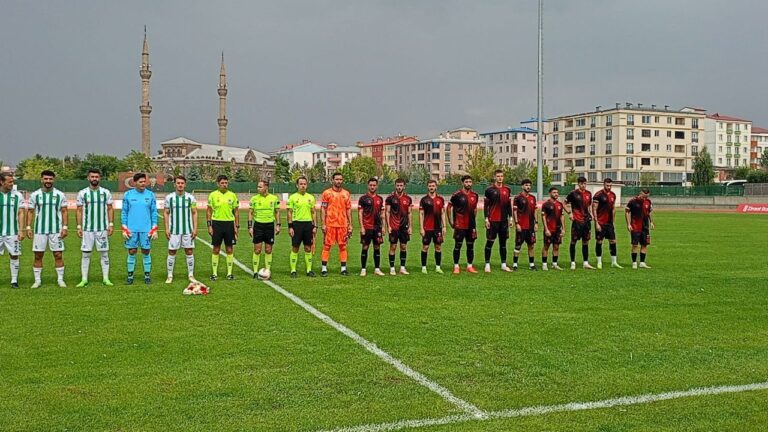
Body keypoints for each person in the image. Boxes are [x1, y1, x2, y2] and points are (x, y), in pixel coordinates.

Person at [27, 170, 68, 288]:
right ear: (41, 180)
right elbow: (30, 212)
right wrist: (28, 227)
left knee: (58, 255)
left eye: (50, 179)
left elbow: (64, 211)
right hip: (40, 230)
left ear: (53, 180)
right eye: (46, 179)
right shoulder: (35, 195)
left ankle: (60, 280)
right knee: (38, 255)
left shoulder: (60, 194)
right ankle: (37, 280)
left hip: (56, 230)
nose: (48, 181)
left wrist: (65, 227)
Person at [75, 168, 114, 287]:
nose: (94, 179)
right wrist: (79, 226)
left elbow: (110, 208)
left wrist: (111, 224)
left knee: (104, 254)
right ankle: (84, 279)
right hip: (87, 229)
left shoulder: (105, 192)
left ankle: (106, 278)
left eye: (96, 177)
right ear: (88, 178)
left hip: (102, 229)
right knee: (86, 254)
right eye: (92, 177)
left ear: (99, 178)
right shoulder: (83, 193)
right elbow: (79, 211)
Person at [121, 172, 158, 284]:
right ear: (135, 182)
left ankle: (147, 276)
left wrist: (154, 228)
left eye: (144, 182)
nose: (143, 184)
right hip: (131, 229)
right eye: (140, 182)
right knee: (132, 251)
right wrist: (124, 228)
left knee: (146, 251)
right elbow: (124, 212)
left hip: (146, 229)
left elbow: (154, 213)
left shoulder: (150, 195)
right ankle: (130, 276)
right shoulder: (128, 195)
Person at [164, 175, 198, 284]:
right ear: (174, 184)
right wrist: (166, 228)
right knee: (172, 252)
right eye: (178, 183)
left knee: (189, 251)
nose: (180, 185)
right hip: (174, 230)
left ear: (185, 184)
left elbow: (194, 213)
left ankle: (191, 275)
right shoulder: (169, 198)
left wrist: (195, 228)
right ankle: (169, 275)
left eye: (182, 183)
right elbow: (166, 213)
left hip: (188, 230)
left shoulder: (190, 198)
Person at [207, 174, 239, 281]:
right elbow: (208, 211)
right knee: (216, 249)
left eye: (226, 183)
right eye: (222, 183)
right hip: (217, 224)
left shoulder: (232, 195)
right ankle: (214, 273)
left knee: (229, 248)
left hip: (229, 224)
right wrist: (209, 225)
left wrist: (236, 227)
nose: (224, 185)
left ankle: (229, 273)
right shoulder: (212, 195)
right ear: (218, 184)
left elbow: (236, 212)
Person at [320, 172, 353, 277]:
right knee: (327, 246)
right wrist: (323, 224)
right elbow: (323, 209)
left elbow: (348, 209)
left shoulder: (346, 194)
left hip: (342, 225)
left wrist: (350, 224)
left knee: (343, 246)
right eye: (337, 179)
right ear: (332, 180)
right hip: (330, 224)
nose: (339, 181)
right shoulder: (326, 193)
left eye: (340, 179)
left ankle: (343, 268)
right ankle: (324, 268)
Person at [446, 175, 479, 274]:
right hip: (459, 224)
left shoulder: (475, 195)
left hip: (471, 225)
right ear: (463, 183)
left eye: (470, 182)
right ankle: (456, 266)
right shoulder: (457, 195)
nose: (468, 184)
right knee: (458, 245)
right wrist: (451, 221)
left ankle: (469, 266)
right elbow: (449, 207)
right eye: (466, 182)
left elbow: (475, 209)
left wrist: (473, 221)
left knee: (470, 246)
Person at [248, 179, 280, 278]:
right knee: (257, 250)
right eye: (258, 187)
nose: (258, 189)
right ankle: (255, 272)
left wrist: (278, 225)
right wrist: (250, 226)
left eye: (260, 187)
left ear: (266, 187)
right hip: (258, 226)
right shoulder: (254, 199)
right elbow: (250, 213)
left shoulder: (274, 198)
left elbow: (277, 212)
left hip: (269, 226)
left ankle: (267, 271)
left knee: (268, 249)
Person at [483, 169, 513, 272]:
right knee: (490, 242)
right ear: (495, 177)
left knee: (503, 243)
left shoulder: (507, 189)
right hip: (493, 220)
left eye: (501, 176)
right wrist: (486, 219)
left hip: (504, 221)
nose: (500, 178)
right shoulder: (489, 190)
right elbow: (486, 206)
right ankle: (487, 264)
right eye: (498, 176)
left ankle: (503, 264)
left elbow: (509, 205)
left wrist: (511, 218)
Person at [287, 176, 317, 278]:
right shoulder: (292, 197)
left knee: (308, 248)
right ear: (297, 185)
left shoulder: (311, 198)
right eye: (301, 184)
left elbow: (313, 212)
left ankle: (309, 270)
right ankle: (293, 270)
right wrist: (290, 226)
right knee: (295, 247)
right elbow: (289, 213)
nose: (303, 186)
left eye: (304, 184)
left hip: (308, 225)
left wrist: (314, 225)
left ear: (307, 185)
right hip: (296, 224)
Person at [0, 172, 25, 288]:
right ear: (1, 182)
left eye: (12, 181)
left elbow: (20, 213)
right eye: (9, 181)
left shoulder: (18, 196)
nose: (12, 184)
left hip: (13, 232)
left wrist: (21, 230)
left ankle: (14, 281)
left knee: (14, 255)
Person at [564, 176, 595, 270]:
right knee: (573, 241)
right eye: (581, 183)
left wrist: (591, 214)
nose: (583, 185)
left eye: (585, 183)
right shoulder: (573, 194)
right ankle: (572, 262)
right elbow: (564, 203)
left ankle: (585, 262)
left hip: (586, 221)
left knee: (586, 241)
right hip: (577, 220)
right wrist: (570, 213)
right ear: (578, 184)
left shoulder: (589, 194)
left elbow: (589, 205)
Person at [592, 178, 622, 269]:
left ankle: (614, 262)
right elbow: (594, 209)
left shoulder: (613, 195)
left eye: (610, 185)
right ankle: (599, 262)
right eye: (607, 185)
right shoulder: (598, 195)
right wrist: (596, 223)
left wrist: (613, 220)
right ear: (604, 185)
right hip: (600, 222)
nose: (609, 187)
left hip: (609, 223)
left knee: (613, 241)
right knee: (599, 241)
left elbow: (613, 208)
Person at [384, 178, 413, 275]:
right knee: (393, 246)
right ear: (395, 186)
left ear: (404, 186)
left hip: (404, 226)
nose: (399, 187)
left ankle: (402, 268)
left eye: (401, 185)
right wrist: (388, 226)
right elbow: (387, 212)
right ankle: (392, 268)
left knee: (403, 246)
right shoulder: (390, 198)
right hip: (394, 226)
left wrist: (410, 226)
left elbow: (409, 213)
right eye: (398, 185)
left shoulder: (408, 198)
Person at [358, 177, 385, 276]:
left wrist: (383, 227)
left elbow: (382, 214)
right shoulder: (363, 199)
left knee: (377, 247)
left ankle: (377, 269)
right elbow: (360, 213)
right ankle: (363, 269)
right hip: (367, 227)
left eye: (374, 185)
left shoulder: (380, 199)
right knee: (365, 247)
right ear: (368, 186)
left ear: (377, 186)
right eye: (371, 185)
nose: (372, 187)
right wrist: (362, 227)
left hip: (377, 227)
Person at [419, 179, 446, 274]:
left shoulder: (440, 199)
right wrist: (421, 228)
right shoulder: (424, 200)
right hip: (427, 228)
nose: (431, 187)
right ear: (427, 187)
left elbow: (443, 213)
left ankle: (438, 267)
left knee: (438, 247)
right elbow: (421, 214)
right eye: (430, 186)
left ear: (436, 187)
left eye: (433, 186)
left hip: (438, 228)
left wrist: (444, 226)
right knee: (425, 247)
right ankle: (423, 267)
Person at [512, 178, 538, 271]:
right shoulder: (517, 197)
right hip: (521, 226)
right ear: (522, 186)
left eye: (529, 185)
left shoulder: (533, 198)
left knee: (531, 245)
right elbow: (514, 211)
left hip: (530, 226)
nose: (528, 187)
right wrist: (517, 223)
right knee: (518, 245)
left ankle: (532, 264)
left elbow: (535, 211)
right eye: (526, 185)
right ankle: (515, 264)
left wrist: (536, 223)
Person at [625, 188, 654, 269]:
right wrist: (628, 224)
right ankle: (634, 263)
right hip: (635, 226)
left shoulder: (648, 202)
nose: (645, 198)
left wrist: (651, 222)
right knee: (635, 245)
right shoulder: (632, 201)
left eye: (647, 196)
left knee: (644, 244)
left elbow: (650, 212)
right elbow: (627, 212)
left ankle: (642, 262)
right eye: (644, 196)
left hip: (645, 227)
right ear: (641, 193)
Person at [540, 187, 565, 271]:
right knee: (546, 246)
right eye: (554, 192)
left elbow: (562, 216)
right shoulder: (546, 204)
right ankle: (544, 264)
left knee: (556, 246)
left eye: (557, 192)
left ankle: (554, 264)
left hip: (558, 229)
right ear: (550, 194)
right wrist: (546, 229)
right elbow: (543, 217)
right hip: (549, 229)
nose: (556, 194)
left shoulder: (560, 204)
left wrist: (563, 228)